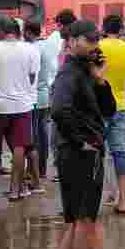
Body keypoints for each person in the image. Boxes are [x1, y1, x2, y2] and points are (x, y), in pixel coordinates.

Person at [46, 20, 119, 249]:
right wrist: (81, 141)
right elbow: (59, 110)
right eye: (88, 40)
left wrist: (100, 79)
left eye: (95, 40)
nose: (93, 45)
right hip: (80, 154)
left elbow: (108, 109)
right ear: (72, 40)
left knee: (77, 223)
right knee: (86, 223)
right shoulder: (68, 72)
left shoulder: (85, 71)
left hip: (81, 151)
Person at [0, 18, 40, 201]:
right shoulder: (31, 50)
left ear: (1, 32)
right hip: (22, 105)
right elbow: (31, 78)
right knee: (19, 147)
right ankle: (15, 190)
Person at [98, 15, 125, 213]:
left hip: (99, 106)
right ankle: (123, 200)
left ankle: (97, 197)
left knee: (96, 152)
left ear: (103, 28)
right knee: (120, 152)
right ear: (121, 29)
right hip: (120, 104)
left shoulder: (98, 47)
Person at [41, 10, 77, 179]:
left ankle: (62, 165)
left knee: (60, 128)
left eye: (60, 26)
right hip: (65, 91)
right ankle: (63, 164)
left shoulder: (68, 43)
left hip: (64, 92)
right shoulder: (64, 43)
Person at [25, 20, 56, 193]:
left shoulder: (32, 49)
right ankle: (42, 169)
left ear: (29, 33)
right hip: (45, 94)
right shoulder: (48, 46)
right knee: (43, 131)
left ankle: (33, 171)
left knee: (34, 134)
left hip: (34, 95)